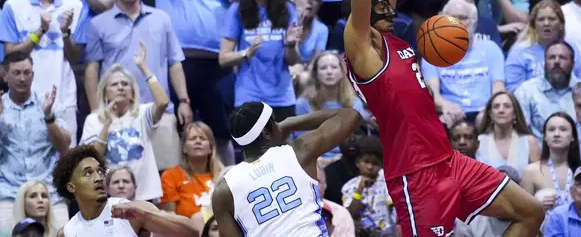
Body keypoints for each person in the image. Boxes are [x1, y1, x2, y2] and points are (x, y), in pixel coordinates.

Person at [336, 0, 544, 237]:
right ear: (359, 12)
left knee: (531, 212)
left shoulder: (394, 41)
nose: (388, 6)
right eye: (376, 3)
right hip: (415, 175)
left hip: (451, 161)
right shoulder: (361, 47)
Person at [211, 101, 361, 236]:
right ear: (266, 132)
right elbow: (350, 115)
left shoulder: (223, 190)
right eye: (275, 122)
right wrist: (290, 122)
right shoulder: (299, 152)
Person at [51, 145, 199, 237]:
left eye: (101, 171)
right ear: (71, 187)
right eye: (88, 173)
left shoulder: (132, 211)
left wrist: (145, 216)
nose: (98, 178)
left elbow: (191, 232)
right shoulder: (67, 232)